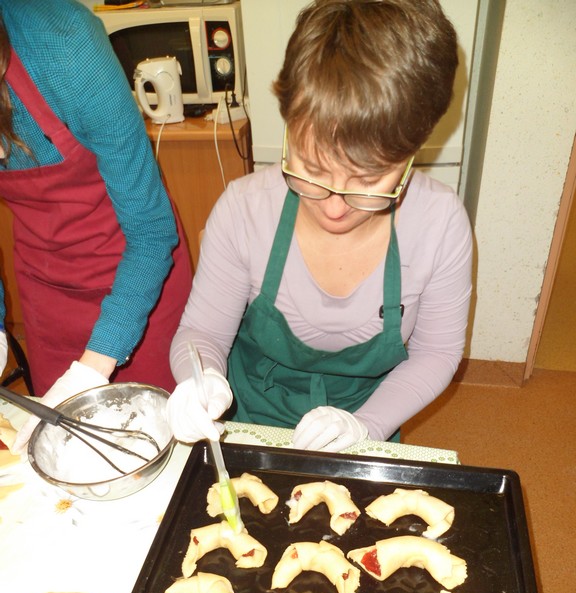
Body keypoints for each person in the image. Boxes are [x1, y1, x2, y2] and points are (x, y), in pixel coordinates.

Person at [167, 0, 472, 453]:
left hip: (365, 422)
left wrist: (365, 425)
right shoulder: (244, 209)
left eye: (367, 180)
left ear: (411, 154)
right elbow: (203, 332)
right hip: (246, 421)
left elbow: (436, 353)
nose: (333, 207)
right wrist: (201, 379)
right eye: (311, 169)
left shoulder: (440, 224)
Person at [0, 0, 192, 449]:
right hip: (48, 290)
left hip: (140, 273)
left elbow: (150, 231)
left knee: (157, 442)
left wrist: (94, 366)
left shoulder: (65, 45)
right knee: (65, 451)